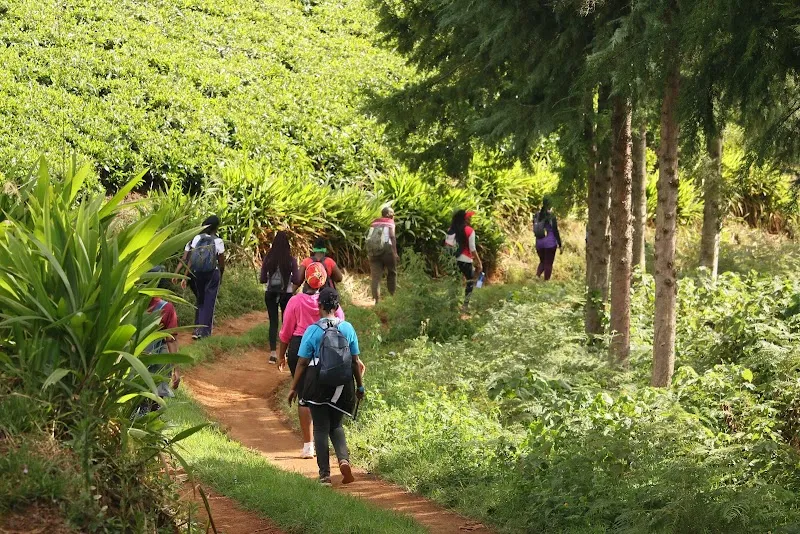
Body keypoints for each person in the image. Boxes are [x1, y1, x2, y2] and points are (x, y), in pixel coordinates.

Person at [288, 286, 365, 486]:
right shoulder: (347, 328)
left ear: (319, 305)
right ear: (337, 306)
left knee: (321, 428)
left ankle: (325, 476)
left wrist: (294, 388)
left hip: (317, 385)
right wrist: (360, 387)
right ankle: (344, 460)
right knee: (337, 426)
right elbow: (355, 361)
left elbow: (302, 362)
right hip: (342, 384)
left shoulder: (312, 330)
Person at [278, 262, 345, 459]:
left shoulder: (295, 301)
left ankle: (309, 445)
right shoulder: (329, 301)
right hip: (327, 345)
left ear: (306, 279)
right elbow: (341, 323)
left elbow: (285, 332)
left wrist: (281, 355)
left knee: (303, 395)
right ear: (324, 280)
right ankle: (329, 439)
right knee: (324, 393)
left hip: (299, 347)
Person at [176, 215, 225, 339]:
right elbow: (221, 262)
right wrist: (221, 276)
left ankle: (196, 329)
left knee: (200, 300)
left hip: (197, 273)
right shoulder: (218, 241)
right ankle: (204, 332)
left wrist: (184, 276)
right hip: (211, 273)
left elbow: (190, 259)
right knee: (209, 302)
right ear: (216, 227)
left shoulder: (197, 238)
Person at [260, 231, 303, 364]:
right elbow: (296, 279)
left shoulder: (268, 258)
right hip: (287, 294)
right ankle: (286, 353)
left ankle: (272, 354)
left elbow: (262, 279)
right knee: (287, 323)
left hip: (270, 292)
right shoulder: (291, 260)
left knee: (273, 322)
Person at [445, 209, 482, 313]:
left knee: (454, 282)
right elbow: (472, 248)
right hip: (466, 259)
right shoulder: (470, 231)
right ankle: (465, 305)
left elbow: (447, 245)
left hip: (453, 259)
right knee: (470, 281)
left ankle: (452, 304)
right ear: (465, 219)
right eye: (468, 217)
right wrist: (478, 262)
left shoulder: (451, 229)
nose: (470, 219)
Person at [366, 206, 399, 303]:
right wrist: (395, 252)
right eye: (392, 213)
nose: (394, 215)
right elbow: (392, 236)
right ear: (388, 214)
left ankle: (377, 301)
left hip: (373, 251)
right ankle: (392, 298)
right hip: (387, 250)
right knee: (392, 272)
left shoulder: (374, 222)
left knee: (376, 277)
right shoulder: (390, 222)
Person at [533, 197, 562, 281]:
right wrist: (560, 244)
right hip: (550, 243)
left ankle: (537, 277)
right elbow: (555, 230)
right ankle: (546, 282)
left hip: (539, 243)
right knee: (548, 263)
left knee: (543, 261)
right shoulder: (551, 216)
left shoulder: (537, 215)